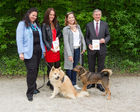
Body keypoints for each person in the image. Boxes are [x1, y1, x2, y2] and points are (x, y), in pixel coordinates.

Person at [16, 8, 46, 101]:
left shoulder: (35, 25)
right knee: (31, 71)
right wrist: (21, 52)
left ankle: (34, 88)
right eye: (33, 15)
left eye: (36, 16)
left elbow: (40, 39)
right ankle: (29, 92)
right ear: (28, 14)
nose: (34, 17)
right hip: (28, 52)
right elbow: (19, 39)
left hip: (38, 51)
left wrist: (43, 50)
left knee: (36, 70)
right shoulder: (22, 24)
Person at [85, 9, 110, 91]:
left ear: (101, 15)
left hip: (102, 49)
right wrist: (89, 44)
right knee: (91, 66)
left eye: (99, 14)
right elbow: (87, 37)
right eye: (96, 15)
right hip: (92, 49)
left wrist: (105, 40)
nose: (97, 16)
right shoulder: (88, 25)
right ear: (93, 15)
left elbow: (108, 36)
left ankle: (99, 84)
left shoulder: (105, 24)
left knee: (101, 67)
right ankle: (91, 83)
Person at [63, 12, 86, 90]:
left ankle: (74, 83)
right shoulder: (66, 29)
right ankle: (68, 85)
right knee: (69, 68)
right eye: (69, 18)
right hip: (69, 51)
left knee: (75, 67)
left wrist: (84, 47)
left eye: (72, 17)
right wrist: (69, 55)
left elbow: (82, 37)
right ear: (67, 19)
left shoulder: (78, 26)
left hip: (77, 50)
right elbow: (66, 43)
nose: (71, 19)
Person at [42, 8, 61, 90]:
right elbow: (44, 39)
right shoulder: (44, 25)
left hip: (56, 47)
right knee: (50, 67)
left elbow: (60, 33)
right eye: (50, 14)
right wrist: (50, 48)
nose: (52, 16)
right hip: (49, 48)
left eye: (53, 15)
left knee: (57, 65)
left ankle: (56, 81)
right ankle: (50, 82)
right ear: (47, 15)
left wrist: (57, 37)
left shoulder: (56, 23)